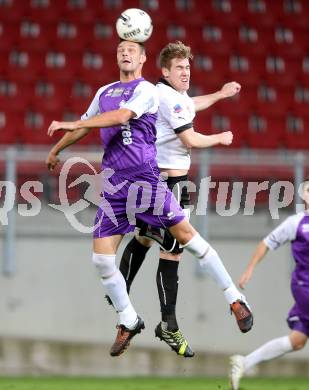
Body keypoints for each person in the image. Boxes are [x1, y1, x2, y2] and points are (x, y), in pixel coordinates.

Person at [46, 39, 252, 358]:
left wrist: (220, 97)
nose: (125, 53)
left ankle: (232, 297)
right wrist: (57, 148)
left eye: (132, 49)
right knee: (102, 258)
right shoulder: (105, 92)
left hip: (146, 180)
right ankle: (130, 319)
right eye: (120, 50)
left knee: (182, 241)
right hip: (115, 183)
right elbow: (90, 125)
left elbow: (121, 117)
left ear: (143, 59)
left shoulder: (146, 90)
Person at [116, 41, 251, 358]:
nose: (186, 73)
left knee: (152, 242)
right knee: (177, 248)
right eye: (180, 68)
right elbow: (189, 137)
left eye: (188, 67)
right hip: (164, 183)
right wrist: (219, 137)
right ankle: (181, 317)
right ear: (165, 71)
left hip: (172, 182)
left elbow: (190, 105)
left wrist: (219, 95)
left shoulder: (173, 96)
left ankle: (126, 307)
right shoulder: (165, 96)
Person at [229, 179, 309, 390]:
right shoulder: (296, 223)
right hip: (304, 285)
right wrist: (249, 269)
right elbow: (266, 243)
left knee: (297, 341)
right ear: (304, 195)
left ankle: (244, 363)